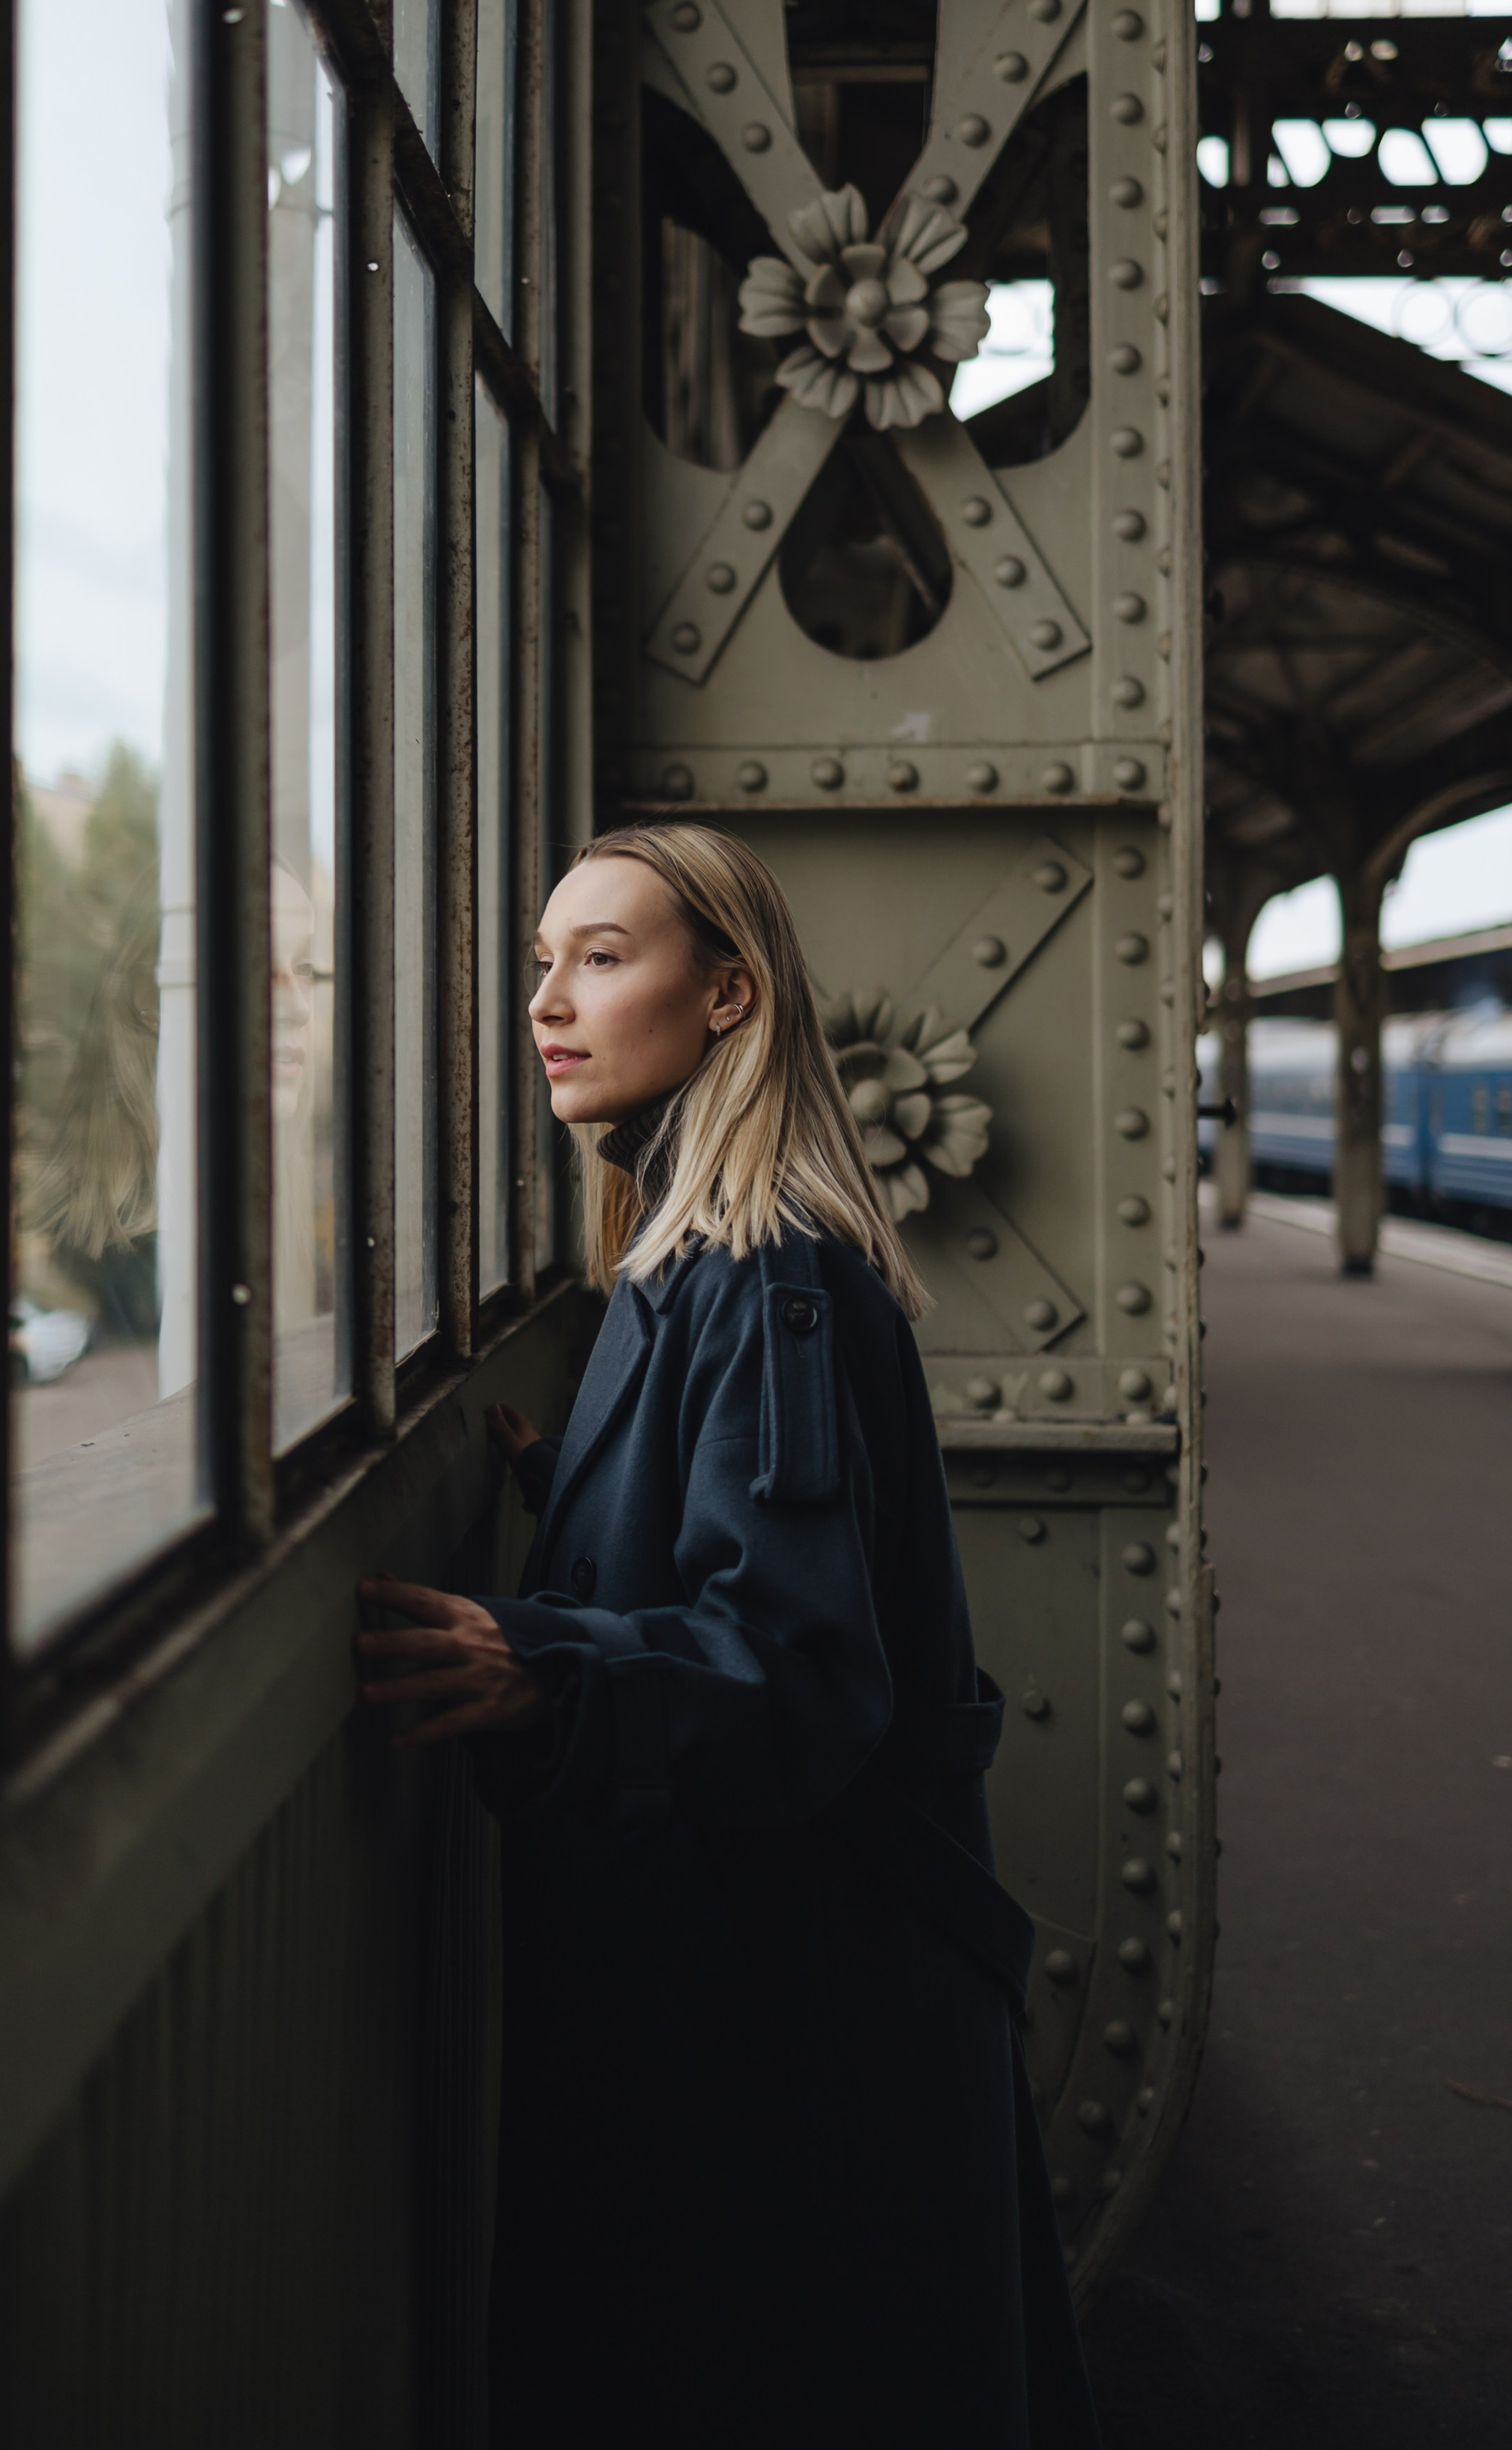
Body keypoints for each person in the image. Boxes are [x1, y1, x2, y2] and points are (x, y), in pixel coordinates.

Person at [355, 823, 1099, 2450]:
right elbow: (750, 1535)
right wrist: (579, 1489)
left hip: (788, 1998)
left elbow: (804, 1671)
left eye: (602, 958)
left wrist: (539, 1661)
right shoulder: (689, 1265)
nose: (547, 1001)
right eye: (541, 963)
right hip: (770, 1970)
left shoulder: (765, 1278)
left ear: (727, 999)